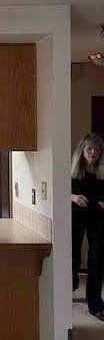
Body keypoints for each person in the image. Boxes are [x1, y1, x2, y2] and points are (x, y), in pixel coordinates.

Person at [71, 133, 104, 321]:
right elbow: (58, 190)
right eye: (90, 148)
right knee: (73, 255)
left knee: (97, 257)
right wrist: (73, 197)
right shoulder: (74, 169)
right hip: (76, 215)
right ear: (82, 150)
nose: (93, 152)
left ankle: (95, 302)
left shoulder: (102, 170)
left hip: (98, 218)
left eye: (97, 149)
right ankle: (71, 284)